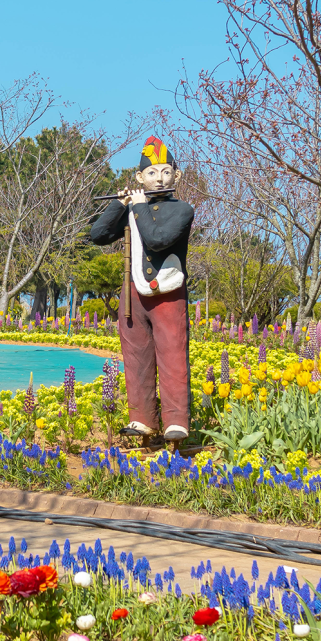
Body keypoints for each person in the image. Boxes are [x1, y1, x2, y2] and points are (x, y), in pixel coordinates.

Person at [90, 135, 194, 446]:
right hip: (132, 294)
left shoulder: (182, 210)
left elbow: (157, 239)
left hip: (168, 292)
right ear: (139, 177)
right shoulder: (134, 206)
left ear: (176, 175)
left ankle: (177, 421)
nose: (159, 178)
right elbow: (98, 234)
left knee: (172, 354)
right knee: (136, 355)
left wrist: (136, 207)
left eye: (165, 172)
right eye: (151, 173)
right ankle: (142, 418)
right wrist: (119, 204)